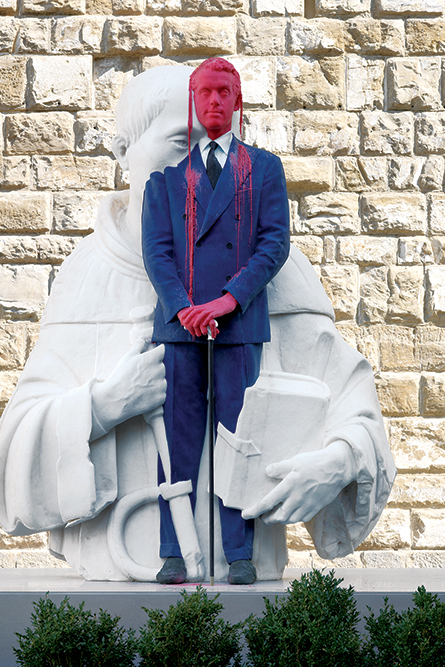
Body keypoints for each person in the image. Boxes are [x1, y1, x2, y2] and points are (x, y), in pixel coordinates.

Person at [0, 64, 396, 583]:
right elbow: (13, 459)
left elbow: (356, 413)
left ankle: (238, 554)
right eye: (183, 141)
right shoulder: (88, 273)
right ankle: (172, 554)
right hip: (119, 564)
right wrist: (100, 406)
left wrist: (339, 461)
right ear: (123, 153)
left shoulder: (283, 271)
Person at [141, 58, 290, 584]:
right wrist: (185, 307)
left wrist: (227, 301)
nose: (213, 101)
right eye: (204, 92)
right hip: (180, 326)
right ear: (192, 99)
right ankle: (174, 550)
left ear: (238, 100)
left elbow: (274, 246)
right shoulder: (163, 183)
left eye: (223, 92)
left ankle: (239, 554)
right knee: (178, 440)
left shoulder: (265, 170)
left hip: (237, 322)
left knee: (238, 438)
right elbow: (156, 254)